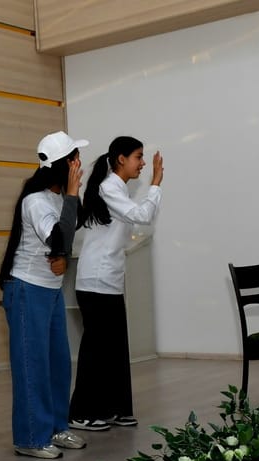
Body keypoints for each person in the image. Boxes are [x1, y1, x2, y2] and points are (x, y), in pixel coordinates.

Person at [0, 131, 89, 459]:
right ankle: (31, 437)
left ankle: (56, 427)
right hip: (26, 290)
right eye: (75, 160)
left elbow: (63, 241)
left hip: (49, 291)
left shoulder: (55, 197)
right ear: (62, 165)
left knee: (58, 364)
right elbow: (57, 240)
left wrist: (61, 254)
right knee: (31, 364)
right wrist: (74, 194)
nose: (80, 165)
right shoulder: (35, 200)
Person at [69, 137, 164, 431]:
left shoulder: (116, 188)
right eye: (138, 157)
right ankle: (80, 413)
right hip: (95, 280)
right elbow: (143, 215)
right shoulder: (109, 187)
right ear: (121, 159)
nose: (143, 163)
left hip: (108, 281)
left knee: (114, 349)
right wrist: (156, 183)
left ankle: (114, 408)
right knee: (96, 350)